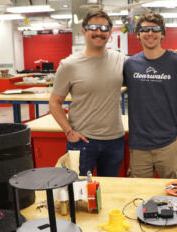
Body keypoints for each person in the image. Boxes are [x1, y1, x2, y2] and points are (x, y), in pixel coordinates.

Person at [49, 9, 126, 177]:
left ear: (110, 33)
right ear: (84, 31)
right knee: (79, 194)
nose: (99, 32)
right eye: (93, 27)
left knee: (110, 190)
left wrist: (168, 58)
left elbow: (145, 69)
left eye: (104, 28)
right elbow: (54, 102)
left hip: (114, 141)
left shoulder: (121, 60)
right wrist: (68, 131)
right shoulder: (69, 64)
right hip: (82, 141)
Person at [123, 12, 177, 179]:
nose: (150, 33)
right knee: (139, 198)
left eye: (155, 29)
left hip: (169, 144)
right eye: (145, 29)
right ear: (138, 34)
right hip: (139, 147)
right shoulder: (129, 64)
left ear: (162, 34)